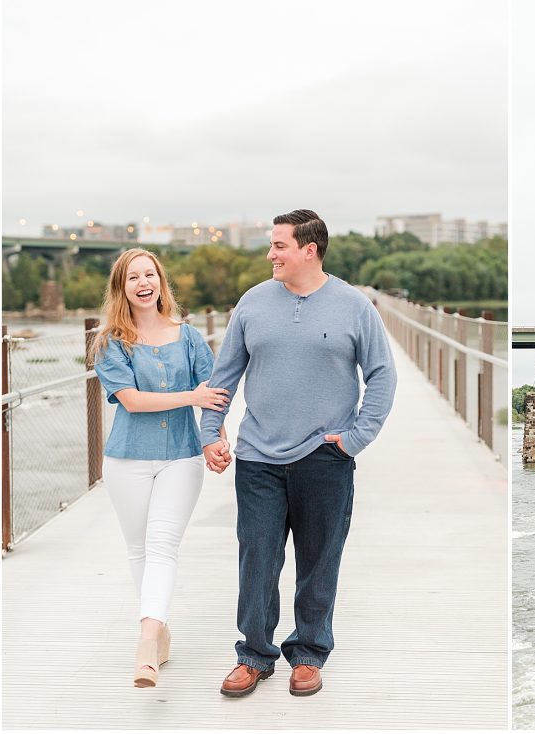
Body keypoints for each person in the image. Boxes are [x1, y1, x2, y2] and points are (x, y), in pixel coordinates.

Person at [200, 209, 397, 698]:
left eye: (279, 246)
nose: (270, 254)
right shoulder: (252, 303)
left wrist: (355, 438)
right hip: (258, 457)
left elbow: (382, 376)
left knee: (318, 560)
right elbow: (223, 378)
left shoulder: (353, 306)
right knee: (258, 558)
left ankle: (308, 652)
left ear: (308, 250)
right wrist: (210, 433)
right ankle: (254, 655)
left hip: (323, 457)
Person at [92, 248, 230, 688]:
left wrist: (215, 439)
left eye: (149, 274)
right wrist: (191, 397)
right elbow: (131, 400)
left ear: (160, 282)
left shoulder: (188, 337)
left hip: (181, 457)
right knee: (138, 550)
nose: (143, 282)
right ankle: (160, 628)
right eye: (133, 277)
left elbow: (214, 394)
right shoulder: (111, 342)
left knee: (162, 545)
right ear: (122, 288)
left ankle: (146, 643)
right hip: (125, 458)